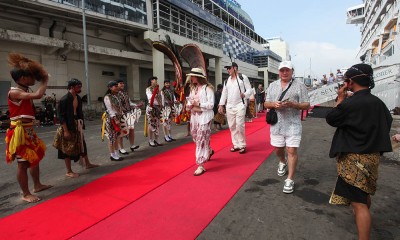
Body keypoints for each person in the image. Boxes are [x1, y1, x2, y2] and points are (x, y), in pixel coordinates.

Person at [326, 63, 393, 240]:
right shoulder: (379, 103)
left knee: (359, 205)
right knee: (364, 195)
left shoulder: (350, 103)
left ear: (351, 82)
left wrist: (340, 99)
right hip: (372, 158)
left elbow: (332, 118)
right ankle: (363, 219)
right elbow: (387, 122)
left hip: (354, 158)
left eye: (346, 80)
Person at [5, 53, 52, 203]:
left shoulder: (24, 91)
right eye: (31, 76)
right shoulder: (15, 92)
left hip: (28, 130)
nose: (34, 79)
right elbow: (39, 95)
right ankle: (26, 193)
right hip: (20, 133)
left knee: (35, 159)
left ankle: (37, 185)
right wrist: (45, 79)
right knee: (23, 163)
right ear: (22, 78)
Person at [264, 61, 310, 194]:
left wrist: (292, 105)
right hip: (277, 124)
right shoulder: (272, 86)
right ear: (279, 72)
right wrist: (274, 104)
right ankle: (282, 161)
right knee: (278, 149)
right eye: (282, 70)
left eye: (287, 70)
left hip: (293, 124)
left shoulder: (300, 86)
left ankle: (290, 179)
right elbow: (266, 103)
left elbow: (306, 105)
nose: (284, 73)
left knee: (291, 150)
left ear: (292, 71)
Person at [54, 78, 99, 178]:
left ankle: (87, 163)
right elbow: (61, 117)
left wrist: (81, 126)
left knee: (82, 144)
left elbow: (78, 113)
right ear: (72, 87)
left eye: (80, 86)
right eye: (78, 86)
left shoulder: (78, 98)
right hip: (67, 125)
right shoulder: (64, 99)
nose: (80, 88)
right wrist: (65, 131)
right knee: (66, 148)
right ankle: (69, 171)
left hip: (76, 123)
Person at [186, 68, 214, 176]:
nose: (191, 78)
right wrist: (189, 104)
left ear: (198, 77)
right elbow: (190, 100)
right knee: (195, 137)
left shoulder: (208, 89)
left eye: (193, 76)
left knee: (201, 139)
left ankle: (200, 164)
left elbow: (211, 105)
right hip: (194, 116)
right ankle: (209, 150)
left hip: (205, 117)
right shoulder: (193, 89)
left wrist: (198, 104)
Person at [218, 62, 251, 154]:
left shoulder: (242, 77)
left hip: (240, 104)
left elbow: (249, 90)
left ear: (235, 68)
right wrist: (221, 105)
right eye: (227, 68)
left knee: (240, 125)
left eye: (229, 68)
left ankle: (242, 145)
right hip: (229, 106)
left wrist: (244, 94)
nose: (228, 70)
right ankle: (236, 144)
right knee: (232, 126)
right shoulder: (226, 81)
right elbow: (224, 93)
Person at [116, 79, 141, 154]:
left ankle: (132, 145)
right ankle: (121, 148)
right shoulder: (115, 94)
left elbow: (129, 103)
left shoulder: (125, 93)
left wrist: (136, 105)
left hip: (128, 114)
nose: (122, 84)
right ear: (116, 85)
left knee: (131, 129)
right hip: (121, 115)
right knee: (121, 131)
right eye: (120, 83)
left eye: (123, 83)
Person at [103, 80, 125, 161]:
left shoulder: (117, 95)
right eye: (115, 86)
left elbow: (120, 107)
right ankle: (112, 154)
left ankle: (116, 153)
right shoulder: (107, 97)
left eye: (116, 86)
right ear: (110, 88)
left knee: (116, 137)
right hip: (112, 119)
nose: (117, 87)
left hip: (118, 118)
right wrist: (115, 119)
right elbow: (110, 109)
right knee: (111, 137)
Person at [145, 76, 164, 147]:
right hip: (151, 107)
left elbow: (161, 98)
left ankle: (157, 139)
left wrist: (161, 104)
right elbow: (150, 97)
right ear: (151, 81)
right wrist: (155, 94)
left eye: (156, 79)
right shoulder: (148, 89)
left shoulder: (158, 90)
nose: (155, 81)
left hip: (158, 107)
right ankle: (150, 140)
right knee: (151, 124)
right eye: (154, 80)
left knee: (157, 124)